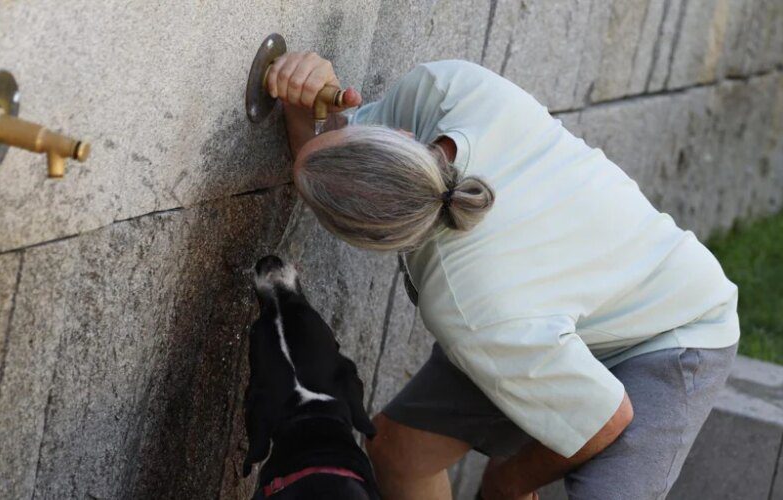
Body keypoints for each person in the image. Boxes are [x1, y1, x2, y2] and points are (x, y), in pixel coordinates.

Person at [264, 51, 740, 500]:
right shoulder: (450, 95)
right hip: (539, 312)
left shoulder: (469, 305)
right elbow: (338, 166)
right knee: (400, 452)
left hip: (672, 328)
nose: (343, 125)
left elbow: (606, 419)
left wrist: (506, 484)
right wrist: (298, 105)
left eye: (343, 131)